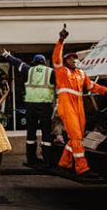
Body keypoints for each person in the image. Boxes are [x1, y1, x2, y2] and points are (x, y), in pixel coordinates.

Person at [53, 25, 107, 177]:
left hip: (78, 107)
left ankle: (65, 162)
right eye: (70, 58)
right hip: (67, 107)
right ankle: (82, 168)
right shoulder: (61, 72)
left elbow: (93, 87)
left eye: (75, 58)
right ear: (66, 61)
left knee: (76, 137)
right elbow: (56, 57)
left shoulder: (81, 74)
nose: (73, 60)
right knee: (76, 136)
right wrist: (61, 40)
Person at [1, 49, 55, 168]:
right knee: (46, 132)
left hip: (30, 106)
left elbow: (17, 63)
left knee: (31, 132)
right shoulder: (51, 72)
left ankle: (31, 158)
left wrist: (7, 56)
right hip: (45, 105)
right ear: (44, 62)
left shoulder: (29, 70)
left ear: (34, 62)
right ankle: (47, 160)